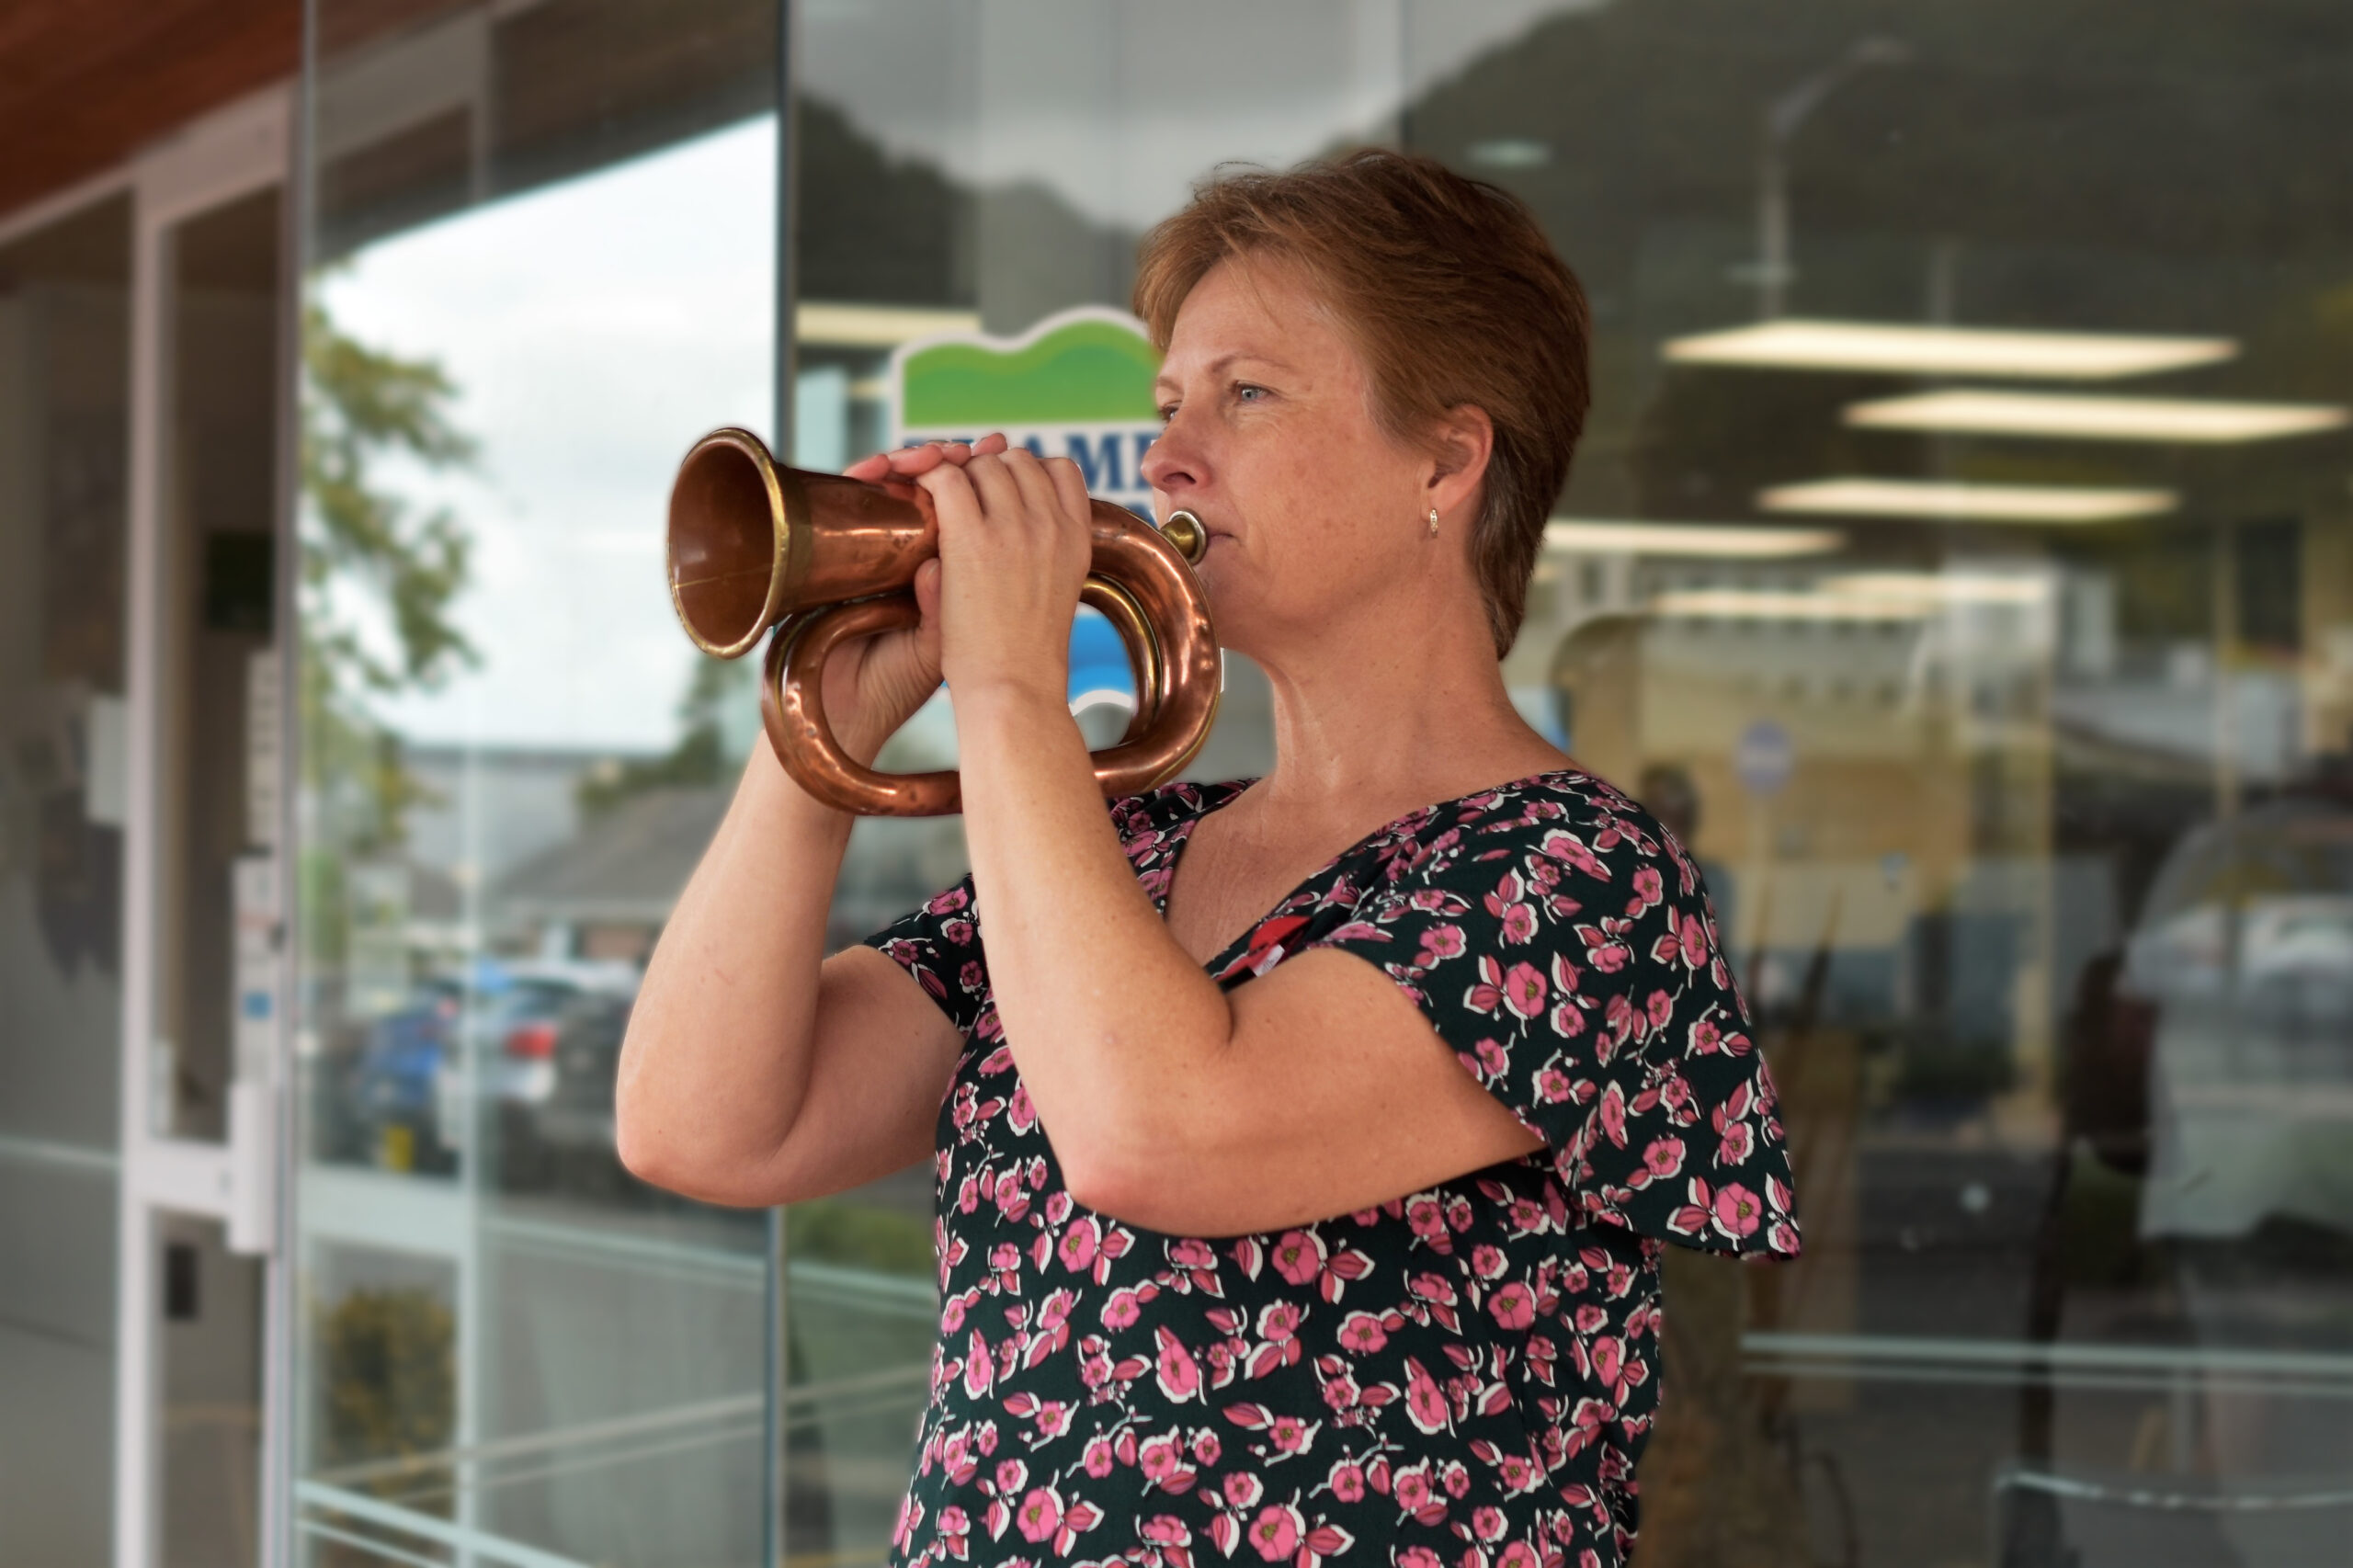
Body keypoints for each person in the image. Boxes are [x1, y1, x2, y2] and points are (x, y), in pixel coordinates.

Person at [617, 150, 1799, 1567]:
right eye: (1167, 403)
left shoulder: (1577, 876)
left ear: (1446, 457)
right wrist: (825, 734)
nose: (1167, 457)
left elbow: (1156, 1131)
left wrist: (1006, 692)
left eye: (1247, 395)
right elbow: (701, 1122)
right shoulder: (1122, 846)